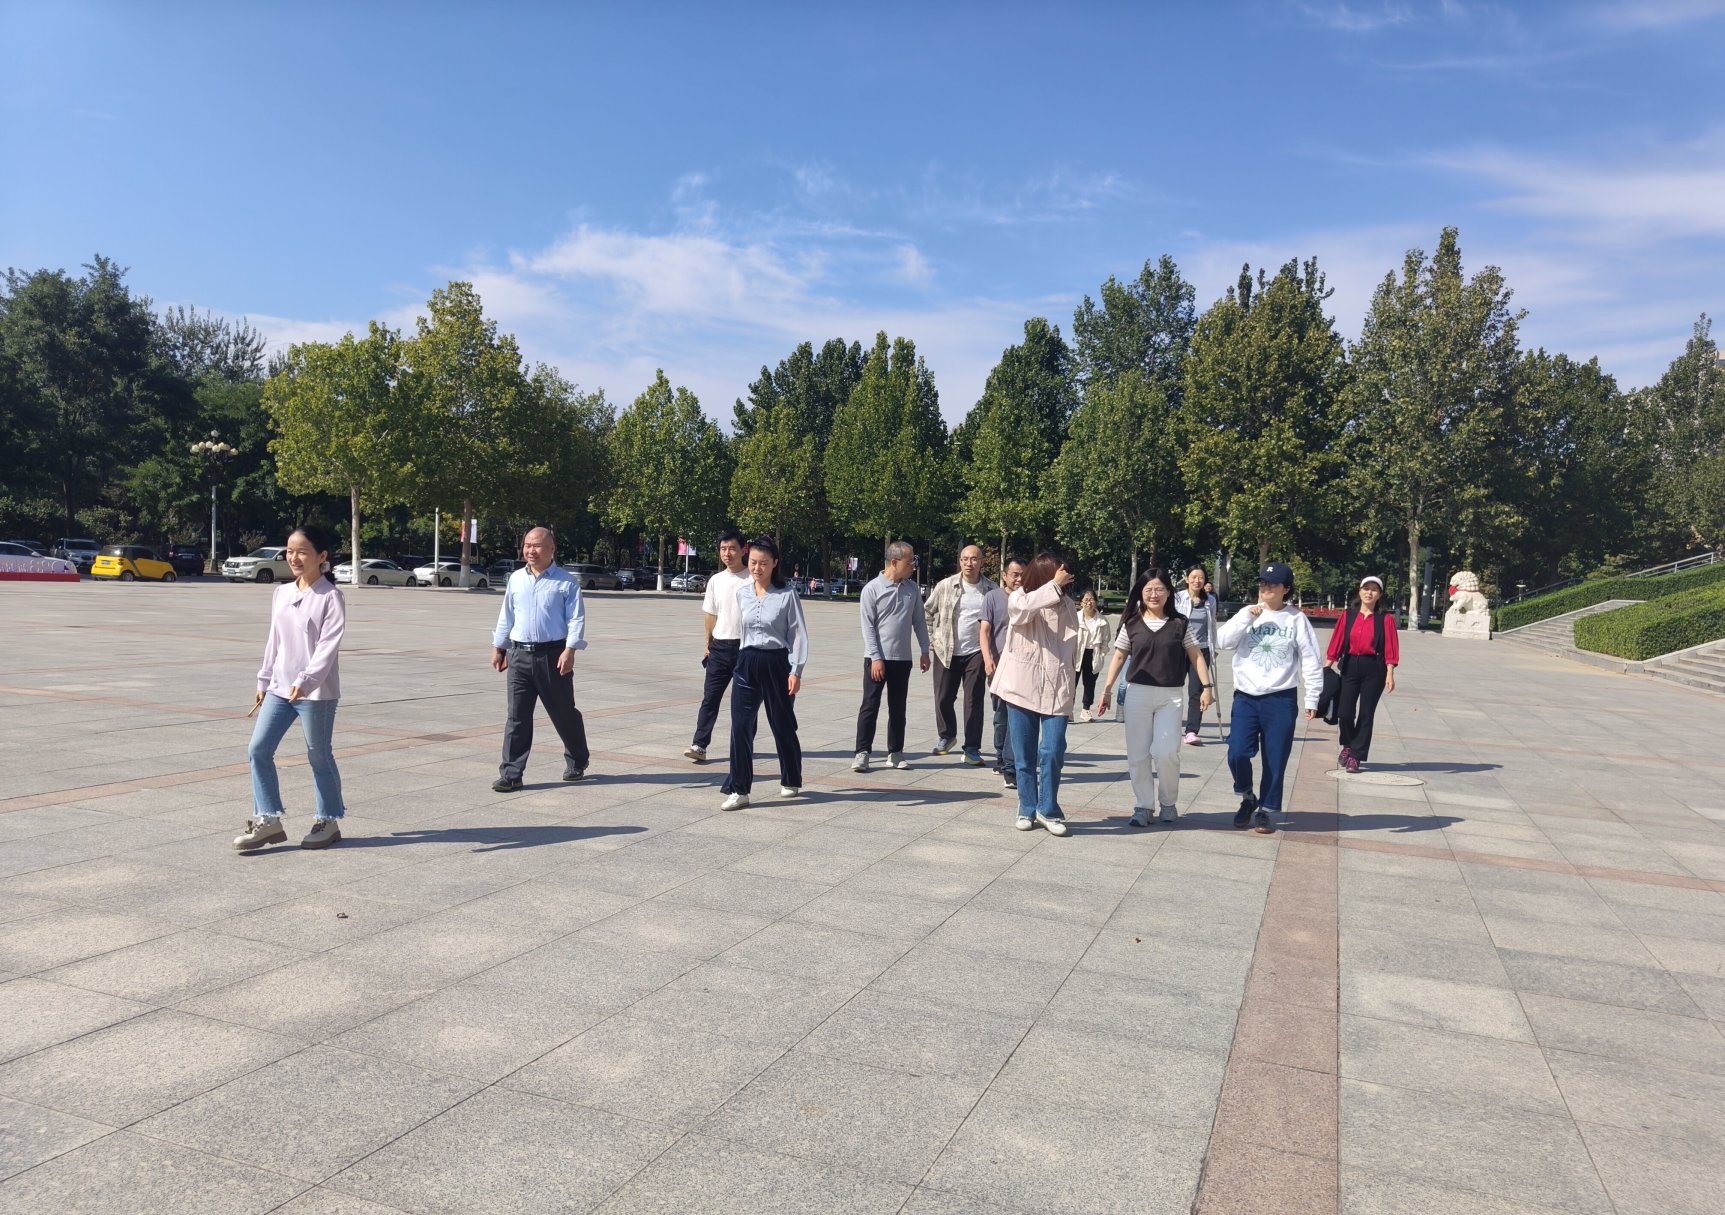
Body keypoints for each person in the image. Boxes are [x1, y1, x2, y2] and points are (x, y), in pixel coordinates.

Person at [234, 525, 347, 851]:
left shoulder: (330, 597)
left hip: (316, 693)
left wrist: (306, 681)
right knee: (258, 750)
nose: (294, 558)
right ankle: (268, 819)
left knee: (318, 755)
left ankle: (328, 820)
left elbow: (327, 647)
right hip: (279, 689)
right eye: (289, 551)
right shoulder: (281, 593)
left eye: (302, 552)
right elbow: (275, 640)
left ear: (321, 556)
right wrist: (264, 679)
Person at [1097, 569, 1215, 826]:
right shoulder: (1131, 623)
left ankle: (1168, 803)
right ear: (1140, 593)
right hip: (1137, 694)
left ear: (1169, 593)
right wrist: (1106, 690)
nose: (1154, 594)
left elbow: (1196, 655)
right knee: (1138, 755)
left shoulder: (1180, 623)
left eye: (1160, 589)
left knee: (1166, 752)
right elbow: (1119, 656)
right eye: (1148, 589)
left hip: (1170, 696)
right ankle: (1143, 806)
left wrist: (1207, 687)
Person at [1214, 562, 1323, 834]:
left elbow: (1311, 659)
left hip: (1281, 699)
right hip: (1246, 697)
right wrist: (1245, 618)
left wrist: (1313, 697)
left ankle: (1266, 810)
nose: (1266, 588)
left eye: (1273, 584)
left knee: (1275, 759)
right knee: (1237, 751)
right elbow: (1221, 641)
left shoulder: (1296, 619)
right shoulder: (1248, 613)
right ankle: (1248, 796)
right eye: (1263, 583)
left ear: (1286, 589)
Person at [490, 526, 589, 792]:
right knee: (517, 717)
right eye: (527, 545)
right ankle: (511, 773)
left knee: (563, 713)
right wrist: (499, 647)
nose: (530, 550)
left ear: (551, 549)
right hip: (519, 655)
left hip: (553, 656)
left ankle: (577, 759)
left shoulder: (566, 582)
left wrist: (570, 650)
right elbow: (506, 615)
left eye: (537, 545)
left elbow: (576, 619)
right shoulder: (515, 579)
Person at [993, 553, 1080, 835]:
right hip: (1022, 687)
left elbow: (1071, 650)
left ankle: (1048, 809)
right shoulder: (1020, 598)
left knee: (1053, 750)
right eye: (1056, 575)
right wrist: (1052, 586)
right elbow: (1020, 612)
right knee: (1024, 755)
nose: (1063, 581)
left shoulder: (1067, 605)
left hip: (1057, 689)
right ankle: (1027, 808)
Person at [721, 536, 809, 811]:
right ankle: (739, 789)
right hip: (747, 661)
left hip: (777, 662)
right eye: (753, 562)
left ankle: (791, 777)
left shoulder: (787, 594)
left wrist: (796, 670)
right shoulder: (742, 594)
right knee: (740, 725)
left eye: (764, 563)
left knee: (782, 724)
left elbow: (797, 634)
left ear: (775, 564)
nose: (757, 568)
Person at [853, 541, 931, 773]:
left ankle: (895, 752)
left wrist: (924, 650)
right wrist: (876, 657)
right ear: (894, 562)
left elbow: (919, 621)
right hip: (876, 659)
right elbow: (868, 628)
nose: (914, 565)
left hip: (902, 659)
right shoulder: (872, 589)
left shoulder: (912, 589)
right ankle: (862, 752)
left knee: (898, 708)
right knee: (870, 706)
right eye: (911, 561)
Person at [923, 544, 997, 766]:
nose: (968, 563)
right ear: (960, 561)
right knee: (943, 697)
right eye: (964, 559)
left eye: (974, 559)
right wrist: (930, 639)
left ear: (982, 562)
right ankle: (947, 735)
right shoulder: (946, 585)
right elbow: (927, 611)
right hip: (946, 650)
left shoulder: (991, 590)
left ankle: (972, 747)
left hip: (976, 651)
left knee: (973, 700)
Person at [685, 529, 748, 763]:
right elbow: (710, 614)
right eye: (723, 549)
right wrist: (708, 643)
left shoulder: (753, 579)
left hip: (746, 649)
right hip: (719, 648)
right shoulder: (715, 580)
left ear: (743, 550)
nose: (727, 553)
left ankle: (744, 744)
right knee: (710, 698)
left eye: (732, 548)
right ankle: (699, 744)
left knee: (744, 703)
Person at [1326, 575, 1400, 773]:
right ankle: (1347, 745)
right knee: (1345, 712)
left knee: (1366, 714)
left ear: (1380, 595)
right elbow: (1337, 642)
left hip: (1374, 669)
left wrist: (1390, 673)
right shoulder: (1348, 615)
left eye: (1374, 589)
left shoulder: (1385, 619)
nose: (1369, 592)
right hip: (1350, 666)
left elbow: (1391, 647)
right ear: (1359, 591)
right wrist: (1326, 668)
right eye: (1366, 588)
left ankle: (1356, 756)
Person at [980, 557, 1023, 790]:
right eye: (1015, 574)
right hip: (998, 667)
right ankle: (1000, 756)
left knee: (1015, 715)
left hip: (1022, 668)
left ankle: (1009, 764)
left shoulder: (1029, 598)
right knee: (1001, 715)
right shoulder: (992, 597)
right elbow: (984, 631)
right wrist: (987, 659)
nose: (1019, 579)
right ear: (1004, 575)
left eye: (1023, 574)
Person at [1174, 564, 1219, 744]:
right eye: (1193, 577)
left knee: (1196, 690)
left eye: (1200, 578)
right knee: (1172, 687)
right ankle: (1169, 723)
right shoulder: (1177, 598)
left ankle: (1192, 730)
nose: (1197, 581)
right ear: (1186, 579)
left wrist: (1213, 648)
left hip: (1201, 650)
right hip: (1179, 649)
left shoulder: (1210, 600)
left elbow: (1212, 625)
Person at [1073, 590, 1110, 722]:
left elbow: (1106, 640)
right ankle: (1068, 709)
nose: (1089, 603)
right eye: (1086, 600)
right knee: (1071, 683)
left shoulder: (1102, 621)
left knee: (1090, 683)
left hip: (1093, 654)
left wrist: (1102, 653)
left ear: (1096, 602)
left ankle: (1086, 709)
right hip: (1077, 653)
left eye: (1092, 600)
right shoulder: (1075, 618)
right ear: (1081, 602)